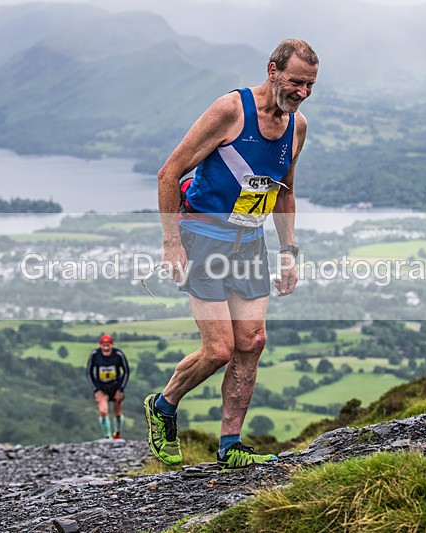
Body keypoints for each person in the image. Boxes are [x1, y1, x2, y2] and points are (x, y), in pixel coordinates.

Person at [145, 38, 319, 471]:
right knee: (220, 349)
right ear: (273, 70)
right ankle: (164, 404)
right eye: (296, 82)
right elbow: (169, 172)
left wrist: (288, 252)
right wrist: (171, 243)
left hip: (250, 241)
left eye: (311, 85)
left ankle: (231, 445)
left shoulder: (297, 127)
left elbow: (285, 192)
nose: (302, 92)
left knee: (252, 342)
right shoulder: (232, 110)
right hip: (203, 236)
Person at [86, 334, 130, 439]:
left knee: (117, 413)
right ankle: (107, 436)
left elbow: (126, 371)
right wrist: (96, 390)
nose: (106, 348)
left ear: (112, 345)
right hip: (101, 388)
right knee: (103, 411)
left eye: (108, 345)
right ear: (100, 345)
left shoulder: (118, 354)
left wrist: (121, 389)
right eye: (104, 345)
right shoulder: (95, 355)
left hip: (116, 387)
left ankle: (117, 433)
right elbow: (89, 372)